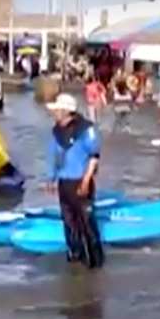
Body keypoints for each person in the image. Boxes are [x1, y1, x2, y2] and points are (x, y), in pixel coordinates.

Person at [45, 93, 105, 269]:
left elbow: (94, 157)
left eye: (57, 110)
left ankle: (95, 263)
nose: (53, 113)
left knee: (87, 224)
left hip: (80, 181)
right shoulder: (56, 132)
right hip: (64, 183)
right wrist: (51, 178)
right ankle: (75, 260)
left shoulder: (86, 130)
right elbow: (54, 156)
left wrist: (86, 181)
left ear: (66, 111)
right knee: (69, 223)